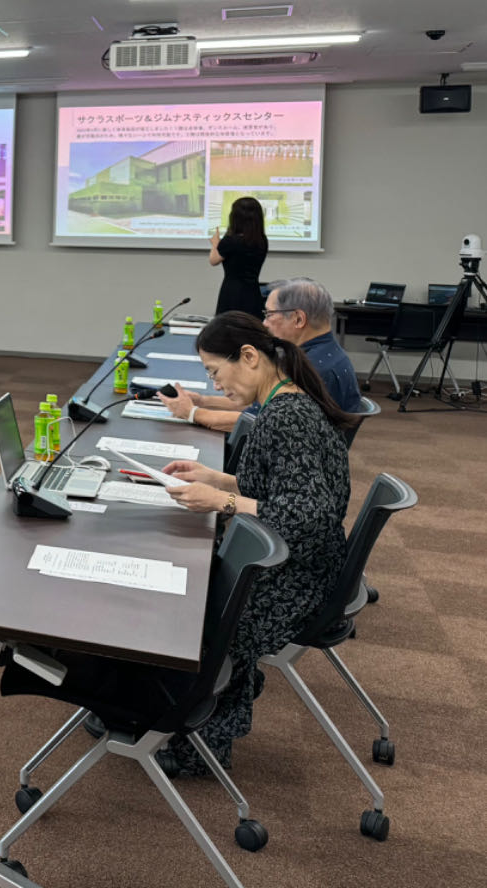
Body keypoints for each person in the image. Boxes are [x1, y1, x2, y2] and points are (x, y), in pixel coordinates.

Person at [155, 311, 355, 775]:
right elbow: (280, 488)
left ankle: (193, 733)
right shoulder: (283, 403)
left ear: (248, 356)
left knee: (190, 597)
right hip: (296, 564)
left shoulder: (289, 416)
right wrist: (217, 478)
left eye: (213, 372)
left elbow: (306, 517)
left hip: (293, 580)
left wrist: (221, 500)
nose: (215, 383)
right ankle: (159, 701)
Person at [163, 279, 363, 431]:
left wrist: (192, 414)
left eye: (269, 315)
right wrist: (204, 401)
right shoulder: (325, 355)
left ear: (298, 318)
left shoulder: (311, 370)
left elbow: (259, 423)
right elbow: (259, 405)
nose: (265, 324)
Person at [212, 196, 268, 317]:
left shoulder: (230, 241)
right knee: (251, 328)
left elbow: (213, 260)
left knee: (229, 328)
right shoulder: (262, 240)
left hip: (232, 293)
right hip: (253, 293)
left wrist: (215, 243)